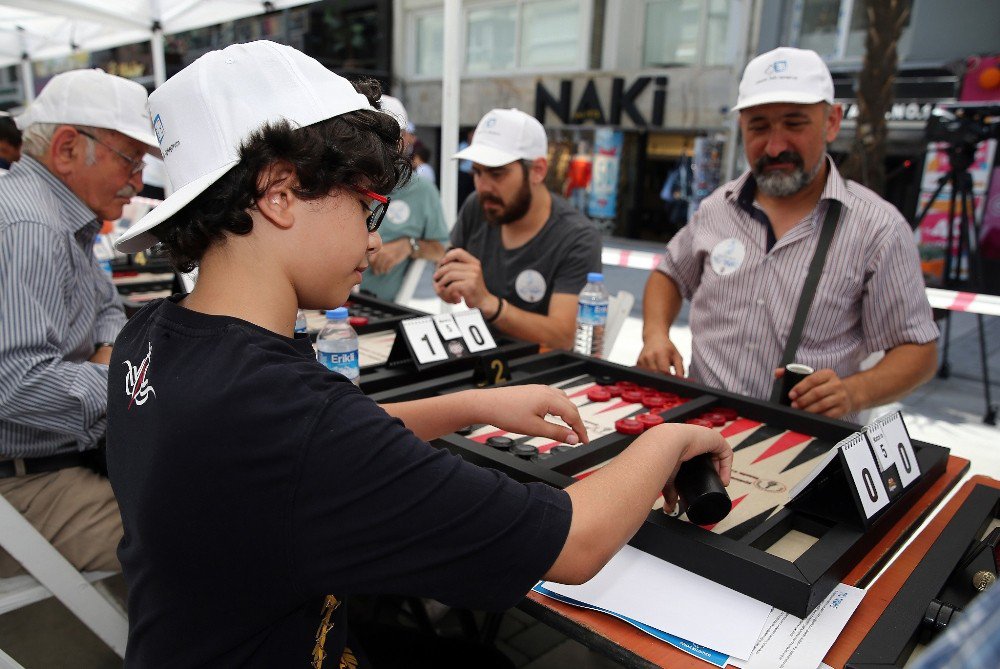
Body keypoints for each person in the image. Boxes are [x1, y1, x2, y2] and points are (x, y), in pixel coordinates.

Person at [106, 41, 732, 667]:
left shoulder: (149, 338)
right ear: (279, 191)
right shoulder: (293, 414)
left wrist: (469, 403)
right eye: (366, 205)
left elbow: (302, 457)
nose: (375, 235)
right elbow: (577, 542)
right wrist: (667, 440)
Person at [638, 47, 939, 422]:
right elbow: (669, 274)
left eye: (795, 124)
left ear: (831, 121)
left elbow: (918, 350)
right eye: (759, 127)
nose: (775, 146)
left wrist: (852, 391)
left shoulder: (878, 228)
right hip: (702, 427)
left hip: (805, 443)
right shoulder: (717, 207)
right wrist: (655, 334)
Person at [0, 69, 158, 577]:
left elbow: (108, 306)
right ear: (67, 148)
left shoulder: (57, 215)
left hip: (50, 461)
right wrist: (125, 382)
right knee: (199, 529)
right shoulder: (29, 226)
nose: (137, 182)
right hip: (22, 485)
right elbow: (13, 384)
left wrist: (107, 354)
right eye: (131, 160)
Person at [434, 108, 602, 350]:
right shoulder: (478, 206)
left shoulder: (577, 237)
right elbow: (448, 260)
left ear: (538, 170)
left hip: (542, 374)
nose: (484, 187)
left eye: (497, 173)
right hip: (480, 355)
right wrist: (447, 279)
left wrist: (490, 304)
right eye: (477, 172)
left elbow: (565, 336)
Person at [360, 95, 448, 301]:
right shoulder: (344, 184)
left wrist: (409, 245)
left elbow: (441, 249)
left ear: (408, 138)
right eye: (374, 135)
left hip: (388, 307)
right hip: (331, 306)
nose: (381, 145)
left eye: (391, 135)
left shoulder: (422, 190)